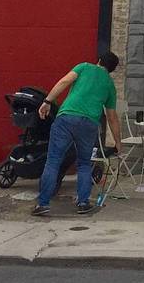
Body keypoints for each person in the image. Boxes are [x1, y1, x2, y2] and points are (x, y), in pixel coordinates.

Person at [32, 51, 124, 216]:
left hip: (67, 117)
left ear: (99, 60)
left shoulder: (83, 67)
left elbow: (65, 81)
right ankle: (82, 203)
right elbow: (112, 117)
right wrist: (118, 141)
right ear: (112, 69)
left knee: (53, 161)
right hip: (89, 123)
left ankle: (43, 204)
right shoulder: (110, 85)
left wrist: (47, 101)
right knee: (83, 163)